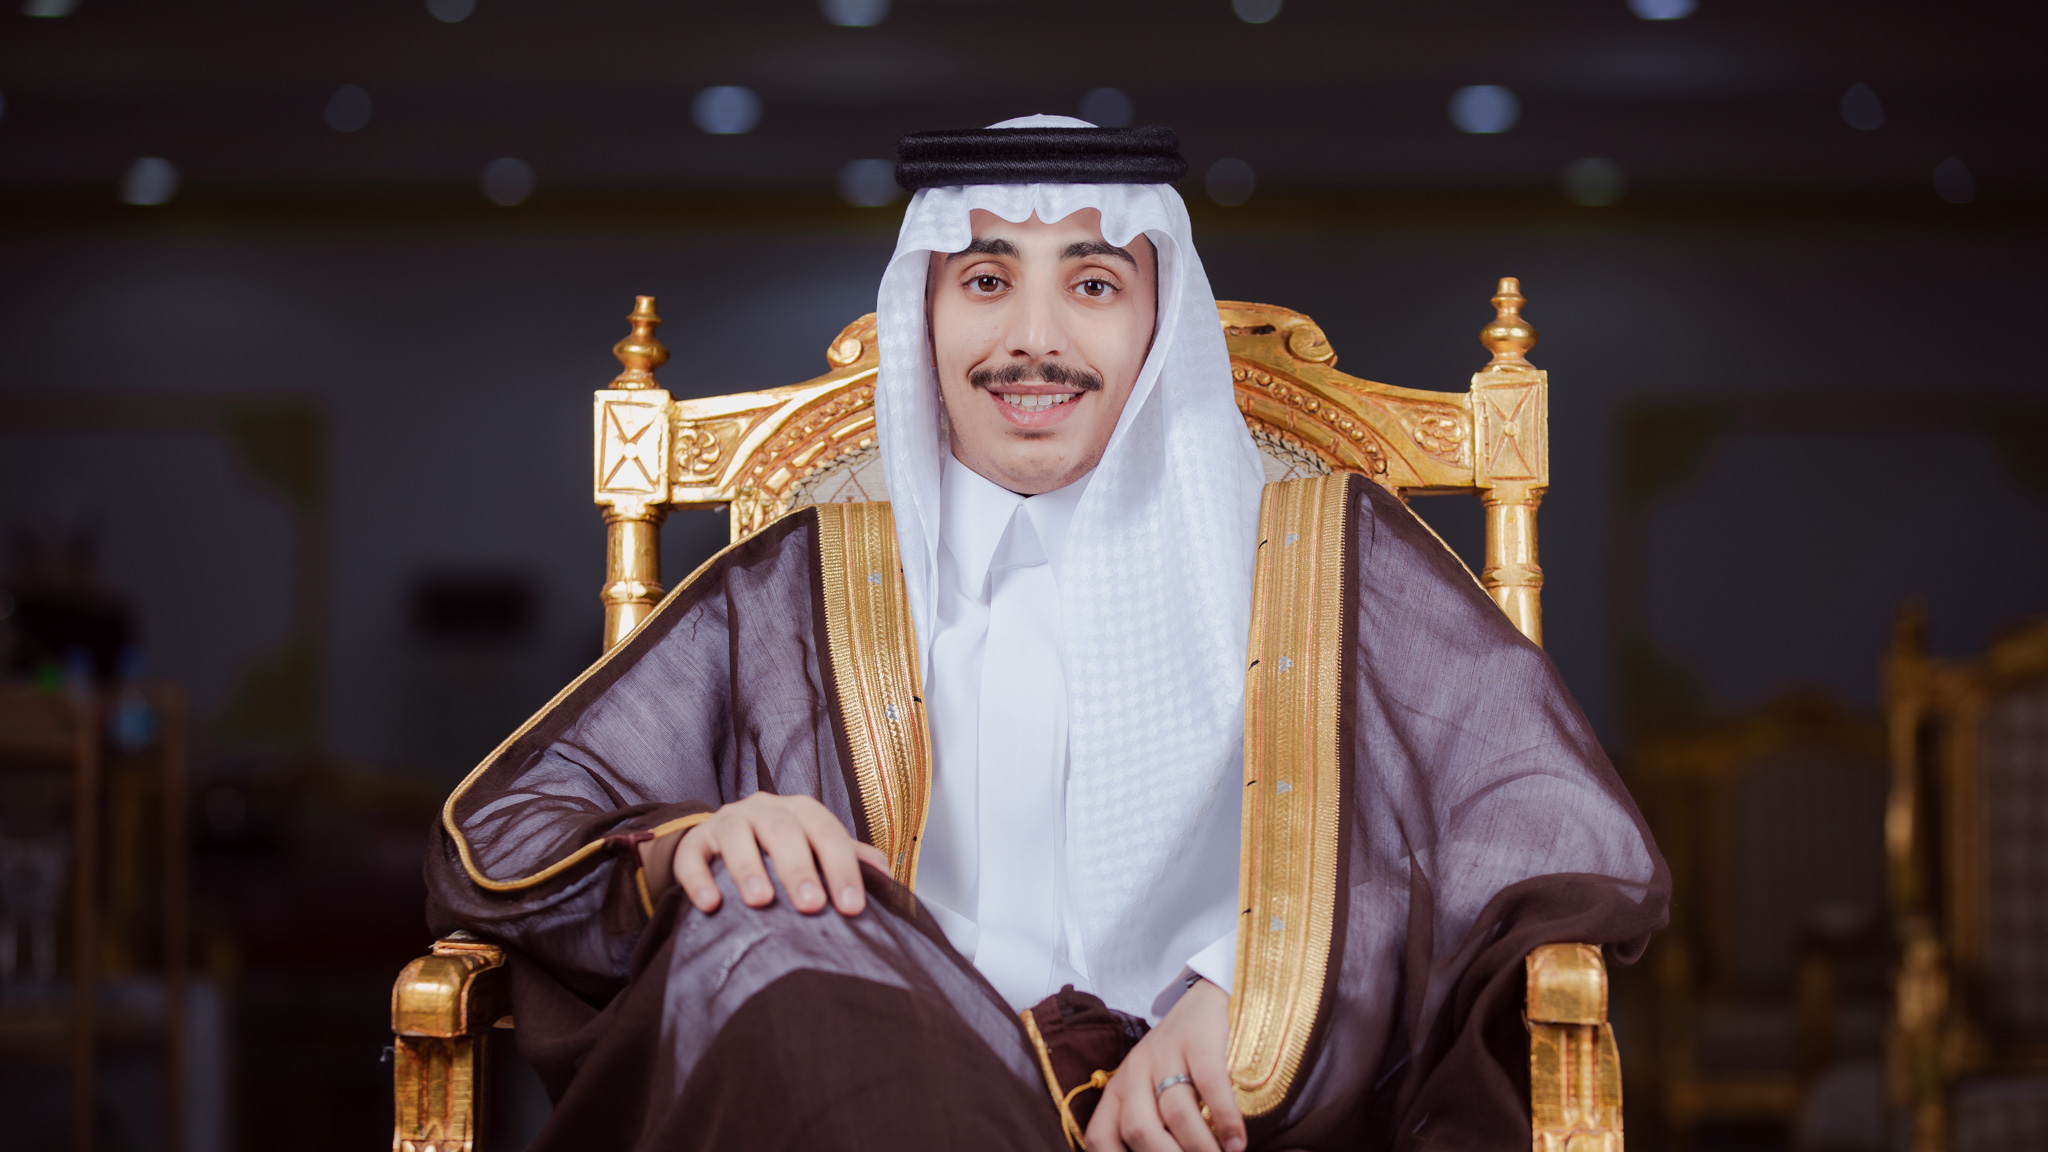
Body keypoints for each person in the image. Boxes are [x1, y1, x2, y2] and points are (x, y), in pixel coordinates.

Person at [424, 117, 1667, 1152]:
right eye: (984, 281)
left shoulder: (1328, 553)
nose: (1032, 339)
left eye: (1091, 283)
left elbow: (1535, 830)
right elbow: (508, 836)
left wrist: (1240, 992)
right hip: (867, 1079)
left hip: (1234, 1114)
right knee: (759, 923)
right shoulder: (800, 580)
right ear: (924, 317)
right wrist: (691, 846)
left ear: (1156, 324)